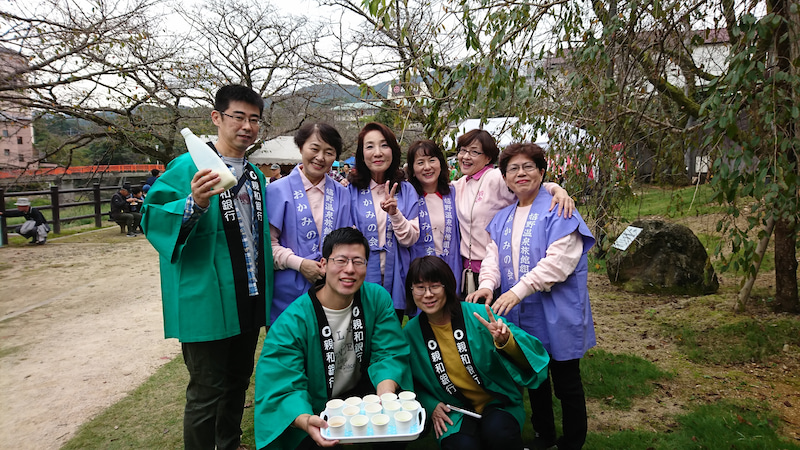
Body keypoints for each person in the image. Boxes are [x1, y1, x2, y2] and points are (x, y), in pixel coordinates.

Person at [141, 85, 274, 450]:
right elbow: (152, 216)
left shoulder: (256, 177)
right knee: (205, 391)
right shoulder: (188, 165)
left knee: (237, 381)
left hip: (247, 295)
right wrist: (195, 202)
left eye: (254, 119)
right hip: (208, 301)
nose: (246, 126)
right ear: (217, 118)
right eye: (238, 117)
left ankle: (228, 444)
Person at [466, 143, 596, 450]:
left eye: (528, 167)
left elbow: (560, 262)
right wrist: (487, 284)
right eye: (513, 168)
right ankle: (544, 436)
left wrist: (518, 290)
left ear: (541, 171)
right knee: (534, 377)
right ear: (506, 178)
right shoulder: (502, 217)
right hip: (522, 314)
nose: (520, 173)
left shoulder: (559, 208)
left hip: (557, 310)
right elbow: (492, 258)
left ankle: (573, 441)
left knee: (566, 382)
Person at [254, 227, 412, 449]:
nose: (349, 269)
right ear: (324, 264)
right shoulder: (293, 321)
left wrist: (384, 397)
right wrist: (305, 419)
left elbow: (389, 352)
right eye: (341, 260)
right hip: (314, 404)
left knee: (393, 432)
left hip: (363, 393)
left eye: (358, 262)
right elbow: (282, 380)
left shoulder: (376, 298)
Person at [403, 256, 550, 449]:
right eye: (420, 287)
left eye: (435, 286)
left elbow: (533, 354)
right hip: (453, 410)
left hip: (497, 401)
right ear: (411, 291)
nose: (428, 294)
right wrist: (431, 405)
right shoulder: (411, 333)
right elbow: (407, 382)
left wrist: (506, 341)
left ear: (447, 286)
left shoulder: (478, 316)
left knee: (499, 433)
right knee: (462, 446)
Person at [452, 129, 575, 296]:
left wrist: (557, 190)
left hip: (500, 268)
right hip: (470, 271)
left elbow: (526, 184)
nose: (466, 156)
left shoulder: (495, 177)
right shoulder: (461, 185)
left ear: (488, 158)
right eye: (463, 150)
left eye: (474, 152)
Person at [266, 122, 353, 322]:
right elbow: (267, 245)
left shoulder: (341, 193)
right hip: (287, 294)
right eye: (314, 148)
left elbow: (346, 241)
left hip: (331, 290)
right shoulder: (276, 190)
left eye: (329, 152)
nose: (320, 157)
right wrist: (300, 264)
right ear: (300, 147)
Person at [348, 122, 419, 321]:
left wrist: (395, 214)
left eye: (384, 145)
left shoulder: (406, 190)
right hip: (360, 275)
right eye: (370, 146)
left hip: (396, 274)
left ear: (393, 151)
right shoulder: (351, 191)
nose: (377, 152)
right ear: (362, 155)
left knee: (391, 334)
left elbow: (410, 239)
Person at [406, 140, 461, 281]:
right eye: (420, 163)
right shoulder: (407, 198)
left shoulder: (455, 193)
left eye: (432, 160)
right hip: (419, 272)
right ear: (412, 169)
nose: (427, 167)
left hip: (451, 267)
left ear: (441, 164)